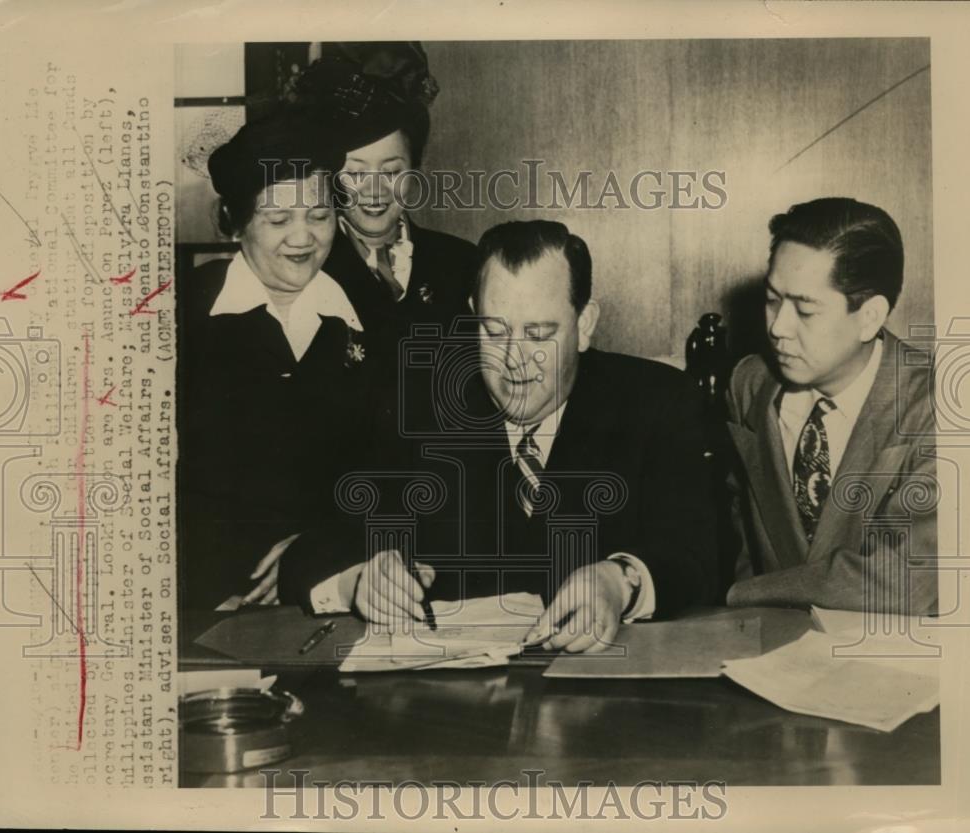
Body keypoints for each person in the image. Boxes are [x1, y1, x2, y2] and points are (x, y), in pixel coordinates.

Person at [279, 220, 719, 652]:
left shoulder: (656, 402)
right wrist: (358, 580)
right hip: (452, 709)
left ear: (585, 324)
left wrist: (623, 580)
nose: (514, 360)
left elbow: (702, 555)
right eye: (494, 330)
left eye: (538, 334)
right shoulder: (422, 406)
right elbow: (317, 547)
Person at [177, 110, 374, 611]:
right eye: (278, 219)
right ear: (235, 223)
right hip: (205, 600)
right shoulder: (181, 318)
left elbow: (399, 475)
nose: (303, 238)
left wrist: (318, 549)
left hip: (336, 592)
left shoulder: (370, 319)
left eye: (320, 215)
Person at [725, 197, 937, 613]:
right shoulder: (749, 383)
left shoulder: (939, 404)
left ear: (870, 317)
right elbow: (738, 534)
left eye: (805, 310)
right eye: (772, 300)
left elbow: (912, 579)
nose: (777, 328)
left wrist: (737, 595)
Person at [297, 43, 476, 367]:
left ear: (414, 169)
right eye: (356, 172)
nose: (375, 190)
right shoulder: (303, 268)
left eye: (392, 171)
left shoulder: (462, 264)